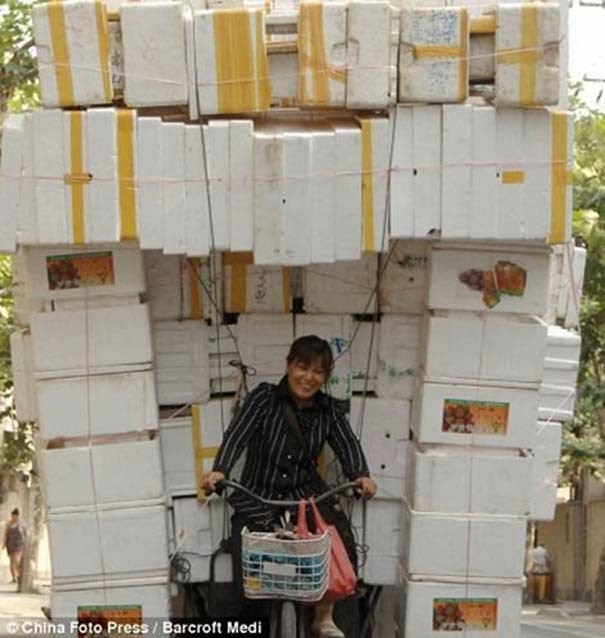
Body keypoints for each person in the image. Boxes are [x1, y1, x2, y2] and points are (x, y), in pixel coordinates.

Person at [202, 335, 377, 638]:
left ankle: (325, 620)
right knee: (245, 567)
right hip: (257, 497)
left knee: (338, 541)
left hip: (304, 498)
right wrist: (219, 471)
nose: (308, 377)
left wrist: (361, 474)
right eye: (302, 367)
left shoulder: (329, 410)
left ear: (326, 377)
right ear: (289, 365)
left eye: (318, 372)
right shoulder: (263, 398)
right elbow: (236, 435)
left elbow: (347, 443)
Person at [2, 508, 26, 584]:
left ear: (18, 516)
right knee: (12, 562)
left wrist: (25, 542)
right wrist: (4, 543)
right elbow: (6, 534)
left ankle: (19, 575)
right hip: (10, 544)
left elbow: (25, 533)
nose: (14, 518)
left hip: (19, 544)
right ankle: (14, 578)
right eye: (13, 516)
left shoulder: (21, 523)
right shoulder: (9, 523)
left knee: (16, 560)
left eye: (16, 516)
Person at [531, 539, 552, 603]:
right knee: (542, 584)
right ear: (543, 545)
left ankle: (535, 596)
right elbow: (548, 559)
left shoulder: (533, 550)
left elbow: (531, 558)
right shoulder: (544, 551)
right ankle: (541, 597)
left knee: (535, 583)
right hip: (542, 569)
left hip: (535, 568)